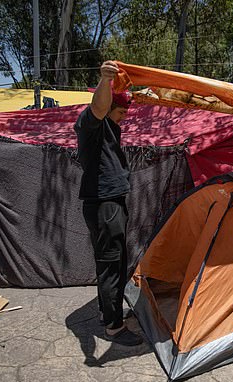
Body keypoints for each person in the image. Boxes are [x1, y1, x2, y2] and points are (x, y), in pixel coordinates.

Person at [74, 60, 143, 346]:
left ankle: (109, 312)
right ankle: (114, 326)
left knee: (114, 261)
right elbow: (99, 109)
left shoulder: (111, 128)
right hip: (104, 204)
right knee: (111, 265)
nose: (125, 115)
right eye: (122, 109)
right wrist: (105, 79)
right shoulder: (92, 124)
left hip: (109, 202)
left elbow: (108, 111)